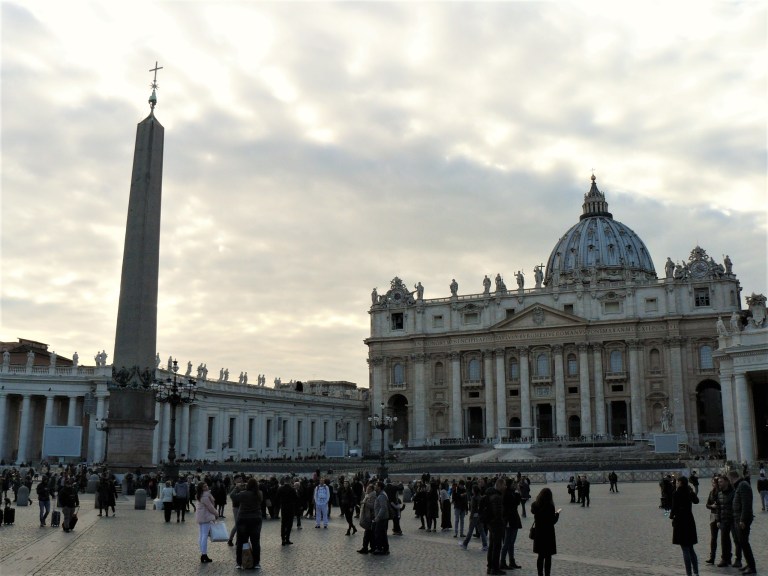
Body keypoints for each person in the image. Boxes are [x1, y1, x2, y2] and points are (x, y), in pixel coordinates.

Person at [231, 477, 263, 570]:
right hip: (256, 520)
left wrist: (237, 487)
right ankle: (256, 563)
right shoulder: (259, 494)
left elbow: (233, 496)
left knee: (241, 542)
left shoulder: (243, 494)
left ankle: (239, 563)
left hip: (243, 519)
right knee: (256, 542)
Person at [670, 476, 699, 576]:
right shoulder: (689, 492)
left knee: (685, 549)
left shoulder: (676, 493)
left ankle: (689, 573)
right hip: (689, 520)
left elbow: (673, 508)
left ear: (680, 483)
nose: (676, 483)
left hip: (680, 521)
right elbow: (696, 501)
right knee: (690, 548)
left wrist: (671, 516)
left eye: (677, 482)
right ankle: (696, 571)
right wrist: (691, 492)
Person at [728, 469, 756, 574]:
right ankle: (749, 564)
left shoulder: (743, 485)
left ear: (731, 477)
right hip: (738, 518)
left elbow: (746, 505)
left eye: (729, 479)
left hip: (742, 519)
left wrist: (743, 520)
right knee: (742, 542)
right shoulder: (739, 485)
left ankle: (752, 567)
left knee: (744, 543)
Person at [531, 487, 560, 576]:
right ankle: (547, 574)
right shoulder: (550, 506)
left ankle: (540, 574)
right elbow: (552, 521)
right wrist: (557, 514)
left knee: (540, 556)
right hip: (548, 533)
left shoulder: (535, 505)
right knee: (548, 557)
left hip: (539, 533)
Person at [716, 474, 740, 567]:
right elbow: (718, 508)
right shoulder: (719, 493)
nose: (719, 483)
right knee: (724, 540)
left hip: (733, 519)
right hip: (723, 519)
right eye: (718, 482)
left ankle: (738, 559)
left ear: (726, 482)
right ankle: (725, 559)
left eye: (721, 481)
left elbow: (737, 506)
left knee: (737, 540)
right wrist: (718, 520)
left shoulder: (734, 493)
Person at [500, 477, 523, 570]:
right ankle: (503, 562)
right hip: (510, 520)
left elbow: (517, 502)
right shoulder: (508, 494)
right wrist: (518, 492)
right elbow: (515, 503)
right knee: (507, 542)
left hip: (513, 519)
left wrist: (517, 492)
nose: (515, 485)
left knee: (511, 542)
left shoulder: (511, 493)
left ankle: (511, 561)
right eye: (513, 483)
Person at [460, 483, 488, 551]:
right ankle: (485, 545)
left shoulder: (473, 498)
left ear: (474, 490)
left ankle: (465, 544)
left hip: (474, 516)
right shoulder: (481, 497)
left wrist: (471, 517)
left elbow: (473, 509)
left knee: (470, 531)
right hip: (480, 515)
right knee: (482, 531)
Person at [195, 481, 217, 563]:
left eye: (206, 485)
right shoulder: (205, 496)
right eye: (204, 486)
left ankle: (202, 553)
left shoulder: (200, 495)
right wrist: (216, 514)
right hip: (205, 517)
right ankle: (204, 554)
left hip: (201, 516)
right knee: (204, 535)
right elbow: (210, 507)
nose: (206, 487)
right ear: (201, 488)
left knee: (201, 535)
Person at [704, 476, 720, 565]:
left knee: (725, 538)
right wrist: (711, 506)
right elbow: (707, 504)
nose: (713, 484)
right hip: (713, 516)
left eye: (714, 482)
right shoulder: (711, 492)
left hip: (721, 516)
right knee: (713, 538)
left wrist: (716, 506)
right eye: (712, 483)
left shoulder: (721, 492)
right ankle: (712, 557)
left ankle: (726, 558)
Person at [277, 476, 298, 545]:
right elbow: (296, 499)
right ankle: (287, 538)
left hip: (283, 508)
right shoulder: (292, 489)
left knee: (283, 524)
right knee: (289, 524)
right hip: (291, 508)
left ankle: (283, 539)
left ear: (284, 481)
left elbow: (277, 497)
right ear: (290, 481)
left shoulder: (280, 488)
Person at [357, 483, 377, 554]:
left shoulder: (373, 496)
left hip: (370, 518)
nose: (366, 490)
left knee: (368, 534)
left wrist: (364, 503)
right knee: (369, 534)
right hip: (367, 517)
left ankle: (366, 548)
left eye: (368, 489)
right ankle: (371, 547)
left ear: (371, 489)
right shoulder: (367, 495)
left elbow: (373, 506)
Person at [372, 481, 390, 555]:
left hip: (381, 518)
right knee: (382, 533)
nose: (375, 486)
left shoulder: (382, 495)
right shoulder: (381, 494)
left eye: (376, 485)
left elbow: (383, 508)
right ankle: (385, 549)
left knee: (379, 533)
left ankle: (380, 548)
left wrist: (378, 517)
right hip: (382, 517)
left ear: (379, 487)